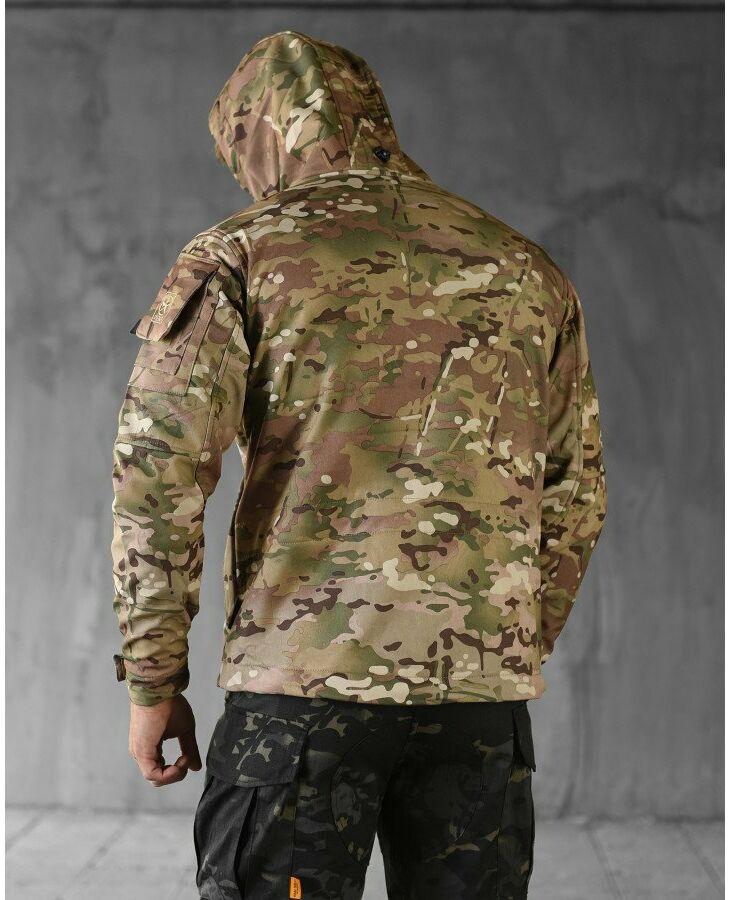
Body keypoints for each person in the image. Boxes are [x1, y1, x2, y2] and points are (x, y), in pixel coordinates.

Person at [110, 30, 607, 900]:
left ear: (257, 137)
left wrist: (154, 678)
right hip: (477, 707)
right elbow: (576, 490)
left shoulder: (238, 255)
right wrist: (500, 641)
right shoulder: (525, 268)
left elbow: (157, 469)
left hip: (302, 695)